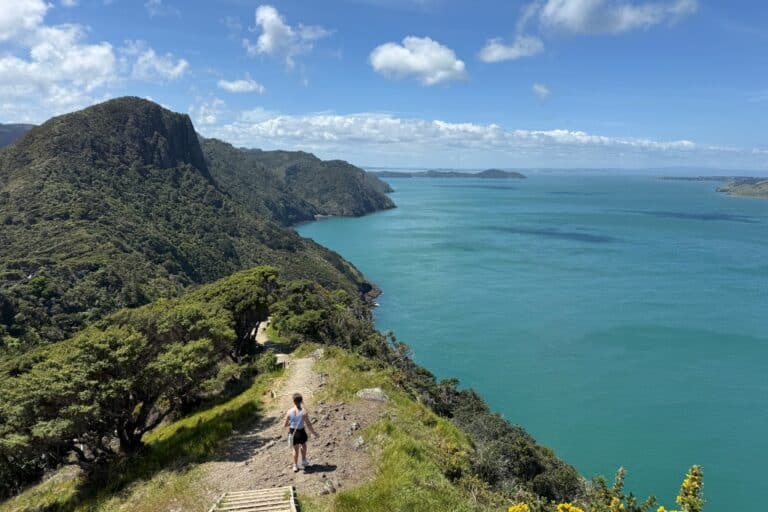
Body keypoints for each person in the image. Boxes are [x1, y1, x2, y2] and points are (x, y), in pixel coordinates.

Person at [284, 392, 318, 472]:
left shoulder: (289, 412)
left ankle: (295, 465)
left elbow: (285, 425)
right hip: (301, 432)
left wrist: (290, 423)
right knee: (303, 445)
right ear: (301, 401)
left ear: (293, 401)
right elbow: (308, 424)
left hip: (293, 432)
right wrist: (314, 433)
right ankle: (303, 460)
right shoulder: (304, 412)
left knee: (295, 450)